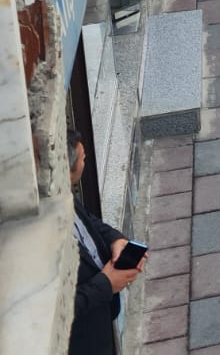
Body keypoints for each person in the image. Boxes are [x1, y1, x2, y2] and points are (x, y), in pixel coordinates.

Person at [68, 128, 145, 355]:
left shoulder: (64, 194)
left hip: (102, 321)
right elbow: (56, 309)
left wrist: (117, 240)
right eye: (82, 158)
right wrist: (106, 284)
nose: (85, 161)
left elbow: (89, 222)